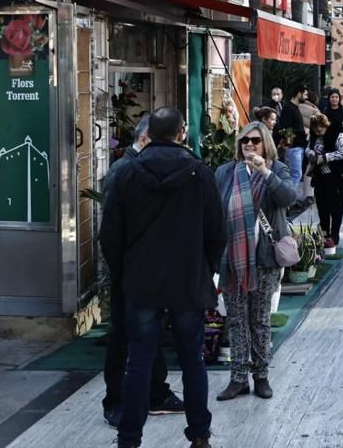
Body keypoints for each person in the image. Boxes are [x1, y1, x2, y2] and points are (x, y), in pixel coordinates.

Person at [99, 107, 225, 448]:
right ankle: (199, 434)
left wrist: (125, 272)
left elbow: (109, 234)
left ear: (149, 134)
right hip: (188, 280)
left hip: (142, 282)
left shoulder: (127, 174)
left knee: (139, 360)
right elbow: (217, 232)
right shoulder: (200, 173)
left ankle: (129, 437)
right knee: (192, 360)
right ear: (182, 133)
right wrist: (205, 269)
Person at [100, 115, 183, 428]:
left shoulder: (144, 166)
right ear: (148, 137)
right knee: (122, 333)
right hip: (129, 271)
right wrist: (123, 269)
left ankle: (156, 393)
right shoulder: (124, 171)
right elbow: (110, 231)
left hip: (150, 269)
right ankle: (116, 401)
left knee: (152, 329)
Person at [214, 122, 298, 402]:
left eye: (255, 141)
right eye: (244, 141)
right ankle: (238, 378)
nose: (249, 145)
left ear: (266, 145)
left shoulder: (278, 170)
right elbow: (215, 213)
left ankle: (261, 376)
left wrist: (265, 170)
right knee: (236, 321)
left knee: (260, 321)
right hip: (233, 259)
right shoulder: (226, 172)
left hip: (264, 259)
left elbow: (288, 198)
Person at [306, 114, 343, 249]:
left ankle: (334, 235)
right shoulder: (314, 136)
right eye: (315, 129)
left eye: (320, 128)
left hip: (336, 177)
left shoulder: (337, 134)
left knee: (336, 208)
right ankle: (325, 234)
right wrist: (311, 154)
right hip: (320, 178)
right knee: (322, 208)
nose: (318, 131)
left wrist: (325, 157)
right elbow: (308, 148)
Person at [276, 85, 308, 187]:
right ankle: (289, 200)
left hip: (298, 147)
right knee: (296, 175)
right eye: (305, 94)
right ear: (299, 93)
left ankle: (290, 199)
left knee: (295, 174)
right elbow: (286, 129)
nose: (306, 97)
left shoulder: (294, 107)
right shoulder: (288, 108)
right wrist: (303, 131)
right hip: (293, 148)